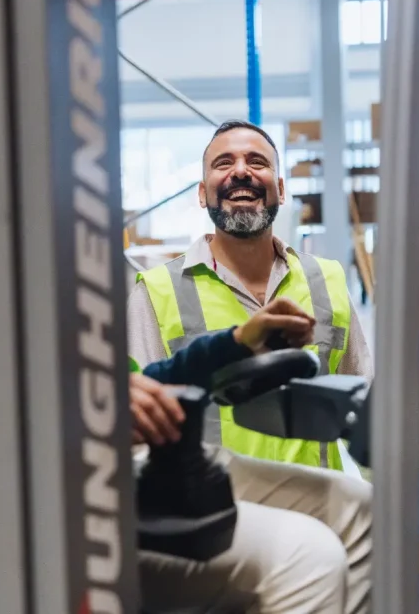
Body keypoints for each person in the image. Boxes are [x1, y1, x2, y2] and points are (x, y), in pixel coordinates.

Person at [128, 119, 373, 470]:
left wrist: (385, 508)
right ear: (202, 193)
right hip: (217, 511)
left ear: (281, 189)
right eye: (223, 163)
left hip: (319, 508)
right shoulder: (155, 292)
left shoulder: (328, 280)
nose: (241, 172)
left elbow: (365, 408)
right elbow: (142, 425)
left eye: (257, 162)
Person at [133, 297, 374, 614]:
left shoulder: (322, 276)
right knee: (308, 554)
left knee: (359, 505)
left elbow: (151, 380)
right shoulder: (155, 291)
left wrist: (235, 344)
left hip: (148, 456)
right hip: (87, 476)